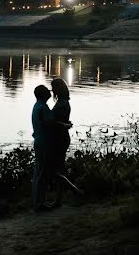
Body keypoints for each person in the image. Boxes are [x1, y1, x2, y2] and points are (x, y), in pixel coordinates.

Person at [47, 77, 82, 207]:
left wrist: (50, 121)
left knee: (54, 171)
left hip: (60, 138)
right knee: (59, 170)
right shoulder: (63, 102)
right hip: (61, 137)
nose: (52, 90)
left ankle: (75, 190)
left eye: (53, 87)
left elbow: (55, 122)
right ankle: (59, 200)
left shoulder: (62, 104)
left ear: (59, 89)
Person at [30, 84, 54, 212]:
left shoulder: (36, 106)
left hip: (39, 140)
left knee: (39, 171)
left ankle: (38, 201)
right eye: (47, 91)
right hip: (43, 141)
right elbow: (49, 123)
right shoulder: (43, 108)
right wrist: (64, 125)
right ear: (43, 94)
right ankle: (39, 203)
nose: (50, 92)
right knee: (41, 173)